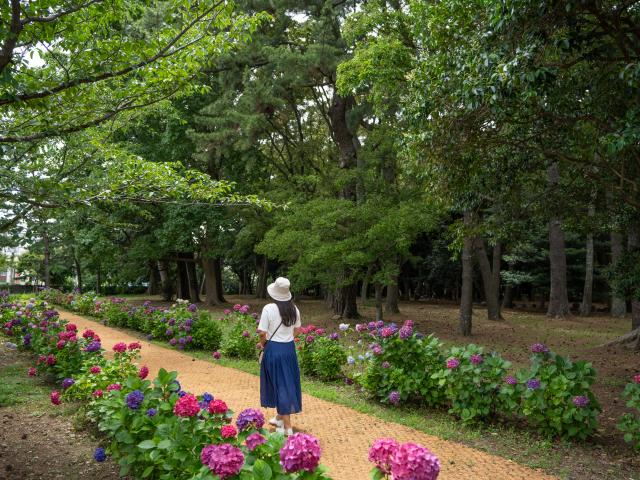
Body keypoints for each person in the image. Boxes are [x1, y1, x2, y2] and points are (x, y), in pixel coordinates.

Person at [257, 277, 302, 436]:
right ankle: (279, 418)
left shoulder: (268, 308)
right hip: (289, 350)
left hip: (273, 348)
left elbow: (262, 333)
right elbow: (297, 331)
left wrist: (264, 345)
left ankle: (287, 427)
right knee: (287, 382)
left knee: (279, 384)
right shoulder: (294, 310)